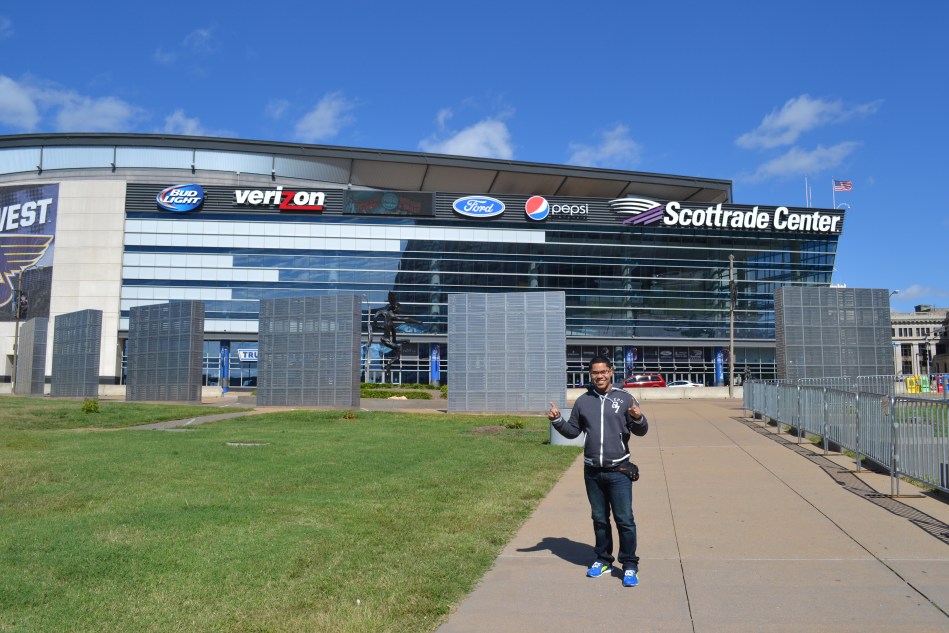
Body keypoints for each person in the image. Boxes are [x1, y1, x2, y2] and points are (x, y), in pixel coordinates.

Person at [548, 355, 648, 587]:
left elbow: (642, 430)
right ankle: (603, 559)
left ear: (611, 372)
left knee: (625, 520)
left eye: (603, 372)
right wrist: (557, 421)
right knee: (600, 519)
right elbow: (573, 432)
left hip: (619, 471)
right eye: (595, 373)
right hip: (592, 471)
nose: (599, 376)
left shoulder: (625, 399)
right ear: (590, 375)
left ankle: (630, 565)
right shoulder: (583, 401)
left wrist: (638, 417)